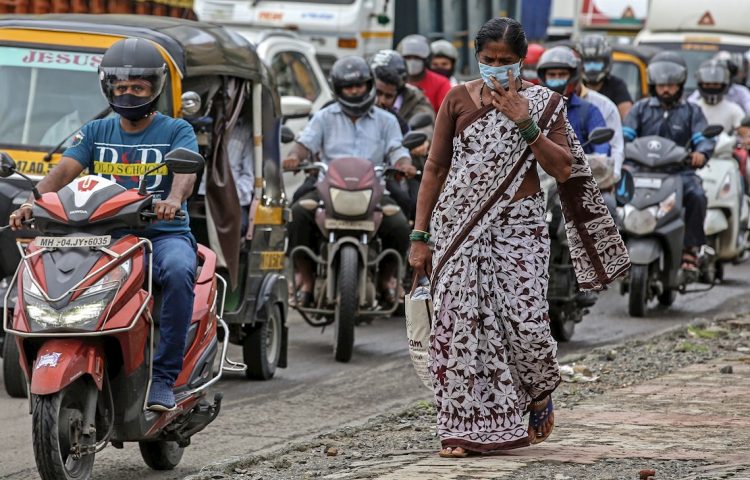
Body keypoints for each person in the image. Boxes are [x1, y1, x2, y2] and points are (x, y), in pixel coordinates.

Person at [408, 17, 627, 457]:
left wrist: (525, 123)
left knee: (525, 328)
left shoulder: (545, 104)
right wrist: (420, 235)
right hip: (458, 229)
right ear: (477, 57)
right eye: (487, 60)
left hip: (518, 230)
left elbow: (564, 169)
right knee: (459, 327)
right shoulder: (455, 100)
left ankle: (538, 394)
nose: (496, 68)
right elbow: (434, 169)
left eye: (505, 61)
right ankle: (460, 430)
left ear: (522, 61)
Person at [9, 38, 200, 412]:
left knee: (178, 271)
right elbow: (63, 172)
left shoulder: (177, 131)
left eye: (138, 87)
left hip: (160, 236)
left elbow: (184, 174)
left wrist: (174, 201)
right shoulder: (96, 132)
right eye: (121, 87)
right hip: (103, 238)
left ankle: (163, 378)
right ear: (108, 88)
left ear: (154, 88)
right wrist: (34, 202)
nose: (128, 93)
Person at [282, 56, 414, 307]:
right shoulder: (323, 117)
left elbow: (398, 149)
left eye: (359, 85)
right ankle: (305, 279)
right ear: (337, 89)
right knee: (297, 213)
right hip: (328, 190)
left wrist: (403, 163)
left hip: (373, 191)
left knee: (399, 223)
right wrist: (293, 157)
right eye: (347, 87)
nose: (354, 91)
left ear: (369, 84)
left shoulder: (387, 121)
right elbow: (303, 144)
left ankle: (388, 280)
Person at [623, 51, 715, 274]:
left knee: (697, 195)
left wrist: (701, 153)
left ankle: (690, 249)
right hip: (640, 172)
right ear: (654, 84)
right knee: (615, 195)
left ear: (681, 84)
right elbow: (625, 137)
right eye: (662, 84)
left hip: (679, 173)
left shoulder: (692, 111)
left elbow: (703, 139)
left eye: (671, 85)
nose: (666, 89)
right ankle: (615, 246)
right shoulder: (640, 109)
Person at [536, 46, 610, 156]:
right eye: (552, 75)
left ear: (572, 76)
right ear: (544, 77)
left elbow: (602, 147)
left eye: (562, 74)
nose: (557, 79)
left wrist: (600, 157)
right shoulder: (533, 109)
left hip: (579, 171)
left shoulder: (588, 111)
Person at [578, 34, 633, 119]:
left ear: (607, 62)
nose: (592, 66)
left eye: (597, 61)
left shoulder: (617, 85)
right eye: (587, 61)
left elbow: (628, 118)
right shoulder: (575, 86)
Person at [397, 34, 452, 112]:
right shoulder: (395, 80)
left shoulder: (441, 83)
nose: (412, 62)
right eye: (408, 57)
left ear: (427, 59)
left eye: (417, 58)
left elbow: (447, 113)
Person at [690, 60, 745, 133]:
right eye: (707, 84)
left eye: (716, 84)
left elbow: (744, 133)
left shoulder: (734, 110)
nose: (711, 87)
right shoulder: (692, 110)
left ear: (724, 85)